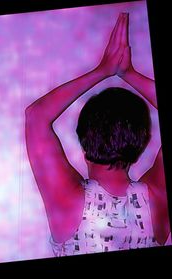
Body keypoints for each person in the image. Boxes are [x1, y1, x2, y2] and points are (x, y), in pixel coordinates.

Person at [25, 13, 171, 256]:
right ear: (142, 142)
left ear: (83, 141)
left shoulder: (70, 203)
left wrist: (103, 70)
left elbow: (36, 116)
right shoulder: (156, 200)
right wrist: (128, 74)